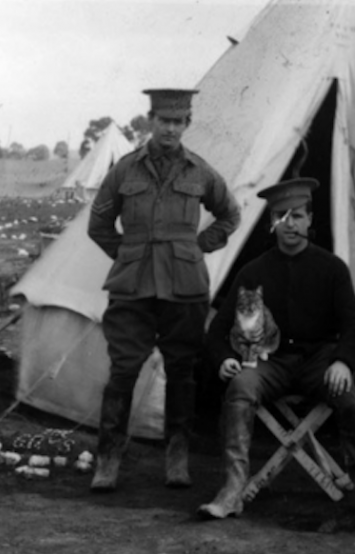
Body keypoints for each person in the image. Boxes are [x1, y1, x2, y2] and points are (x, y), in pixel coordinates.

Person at [197, 178, 355, 523]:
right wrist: (226, 360)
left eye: (297, 215)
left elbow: (353, 324)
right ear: (271, 223)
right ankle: (232, 490)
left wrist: (341, 362)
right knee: (240, 389)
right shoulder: (254, 271)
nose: (290, 223)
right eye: (281, 216)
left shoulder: (331, 268)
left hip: (319, 361)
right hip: (269, 363)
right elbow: (218, 330)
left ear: (309, 220)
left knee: (347, 394)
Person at [87, 88, 241, 492]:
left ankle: (177, 457)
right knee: (122, 372)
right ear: (150, 121)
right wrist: (128, 257)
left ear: (187, 124)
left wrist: (197, 248)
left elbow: (230, 215)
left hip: (184, 288)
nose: (170, 128)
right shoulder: (124, 171)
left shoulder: (200, 172)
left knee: (182, 371)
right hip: (132, 289)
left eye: (178, 122)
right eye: (163, 120)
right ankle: (108, 459)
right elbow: (98, 225)